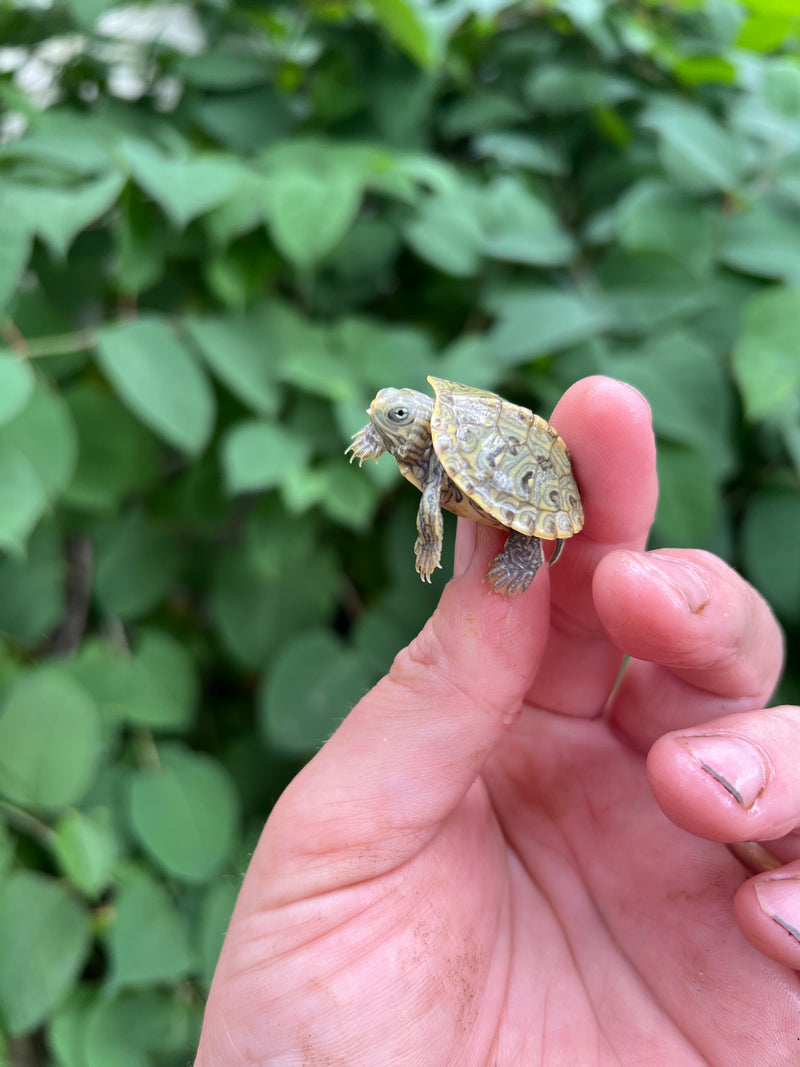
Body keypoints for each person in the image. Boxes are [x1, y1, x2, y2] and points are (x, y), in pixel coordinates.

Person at [195, 378, 800, 1066]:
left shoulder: (445, 452)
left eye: (394, 416)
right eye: (388, 414)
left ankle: (520, 545)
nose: (385, 419)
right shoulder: (426, 437)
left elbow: (436, 498)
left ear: (421, 420)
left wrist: (436, 539)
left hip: (519, 492)